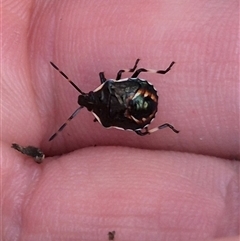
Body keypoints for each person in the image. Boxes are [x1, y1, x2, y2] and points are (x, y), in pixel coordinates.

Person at [2, 1, 239, 240]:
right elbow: (120, 77)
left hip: (141, 113)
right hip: (142, 93)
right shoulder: (106, 86)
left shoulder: (104, 120)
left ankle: (164, 124)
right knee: (136, 75)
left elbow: (117, 111)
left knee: (141, 130)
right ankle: (163, 87)